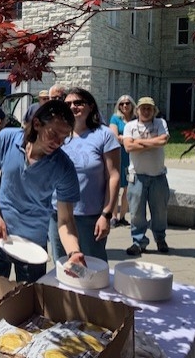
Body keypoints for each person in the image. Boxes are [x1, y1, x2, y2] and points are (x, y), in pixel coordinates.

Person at [0, 100, 85, 283]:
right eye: (53, 133)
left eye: (64, 138)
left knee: (30, 301)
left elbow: (66, 220)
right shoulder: (6, 138)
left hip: (33, 244)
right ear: (37, 124)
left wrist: (74, 252)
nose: (57, 143)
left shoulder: (64, 167)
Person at [48, 88, 120, 262]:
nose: (73, 107)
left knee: (92, 270)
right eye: (68, 104)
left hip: (90, 217)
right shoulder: (58, 135)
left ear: (91, 107)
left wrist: (106, 214)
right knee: (63, 267)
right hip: (58, 214)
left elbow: (114, 176)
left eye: (78, 103)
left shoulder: (104, 135)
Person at [123, 97, 171, 256]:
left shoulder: (160, 123)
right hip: (137, 177)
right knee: (136, 213)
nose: (146, 111)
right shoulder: (130, 126)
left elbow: (164, 140)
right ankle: (138, 242)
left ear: (154, 110)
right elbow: (128, 146)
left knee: (160, 212)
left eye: (149, 108)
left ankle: (160, 239)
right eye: (143, 108)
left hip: (158, 176)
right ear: (137, 110)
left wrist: (140, 144)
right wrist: (153, 143)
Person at [109, 94, 136, 227]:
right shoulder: (115, 118)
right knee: (115, 186)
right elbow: (113, 135)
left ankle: (123, 216)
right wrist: (130, 140)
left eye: (127, 103)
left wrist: (124, 139)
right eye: (122, 104)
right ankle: (113, 216)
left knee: (127, 188)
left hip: (132, 156)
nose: (125, 106)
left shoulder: (136, 119)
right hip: (118, 155)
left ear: (132, 105)